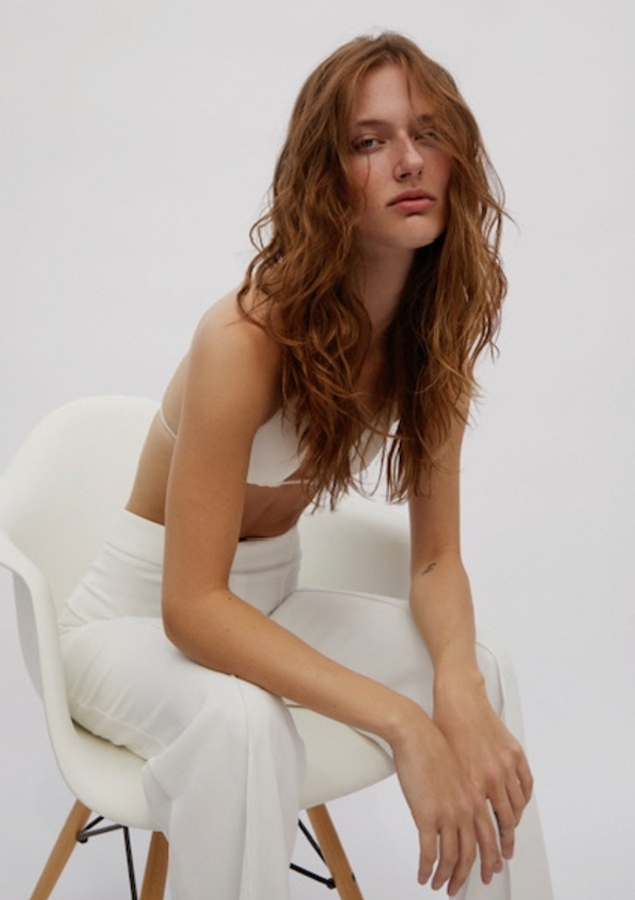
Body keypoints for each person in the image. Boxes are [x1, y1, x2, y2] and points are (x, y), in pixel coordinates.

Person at [58, 32, 552, 900]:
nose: (408, 160)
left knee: (482, 670)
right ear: (326, 177)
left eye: (426, 134)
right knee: (243, 725)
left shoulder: (428, 338)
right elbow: (190, 608)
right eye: (369, 141)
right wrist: (402, 722)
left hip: (269, 607)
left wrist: (455, 687)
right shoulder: (245, 337)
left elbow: (435, 560)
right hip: (131, 627)